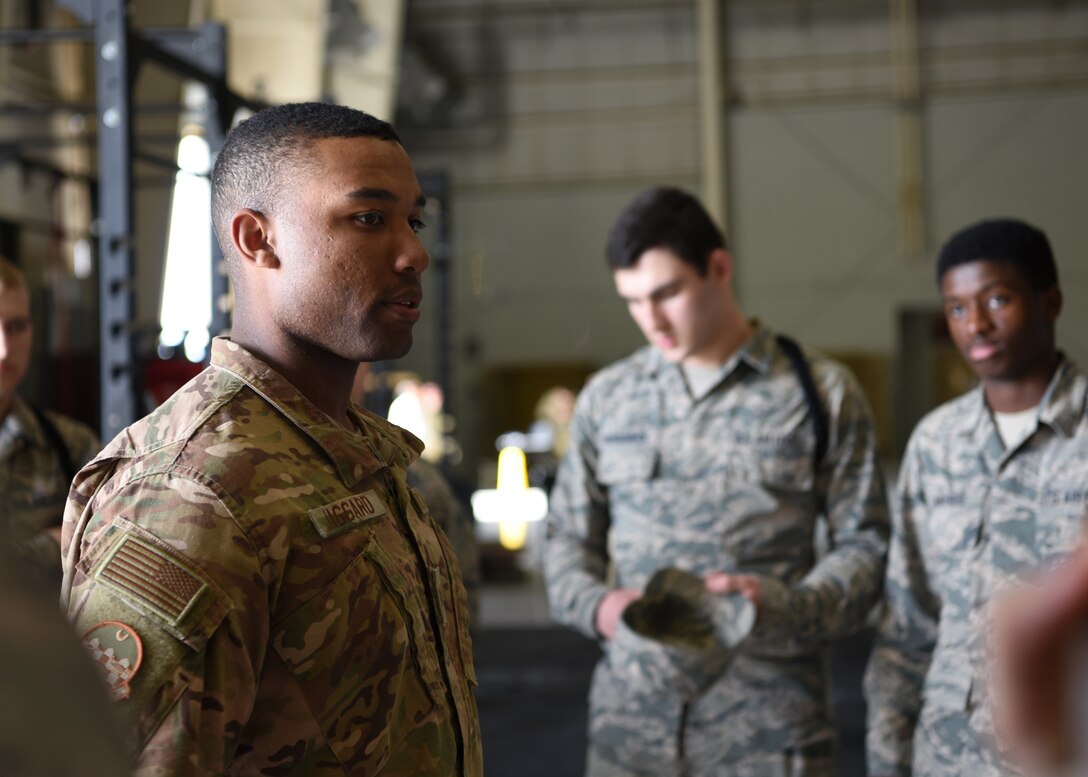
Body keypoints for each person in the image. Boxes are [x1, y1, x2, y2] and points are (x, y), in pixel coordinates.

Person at [60, 102, 481, 776]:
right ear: (258, 239)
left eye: (414, 219)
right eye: (369, 218)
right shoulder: (192, 493)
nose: (414, 253)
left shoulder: (361, 455)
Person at [543, 186, 890, 777]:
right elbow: (566, 544)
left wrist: (788, 606)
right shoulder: (610, 398)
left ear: (719, 268)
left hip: (769, 733)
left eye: (667, 293)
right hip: (633, 732)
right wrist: (603, 609)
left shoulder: (819, 393)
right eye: (632, 300)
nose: (650, 319)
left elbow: (867, 549)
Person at [864, 217, 1088, 777]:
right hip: (945, 758)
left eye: (997, 300)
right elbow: (907, 629)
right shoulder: (937, 444)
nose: (976, 325)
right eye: (957, 309)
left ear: (1050, 301)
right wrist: (889, 758)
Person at [0, 256, 99, 587]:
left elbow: (105, 552)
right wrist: (50, 546)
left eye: (16, 327)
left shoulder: (70, 445)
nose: (4, 349)